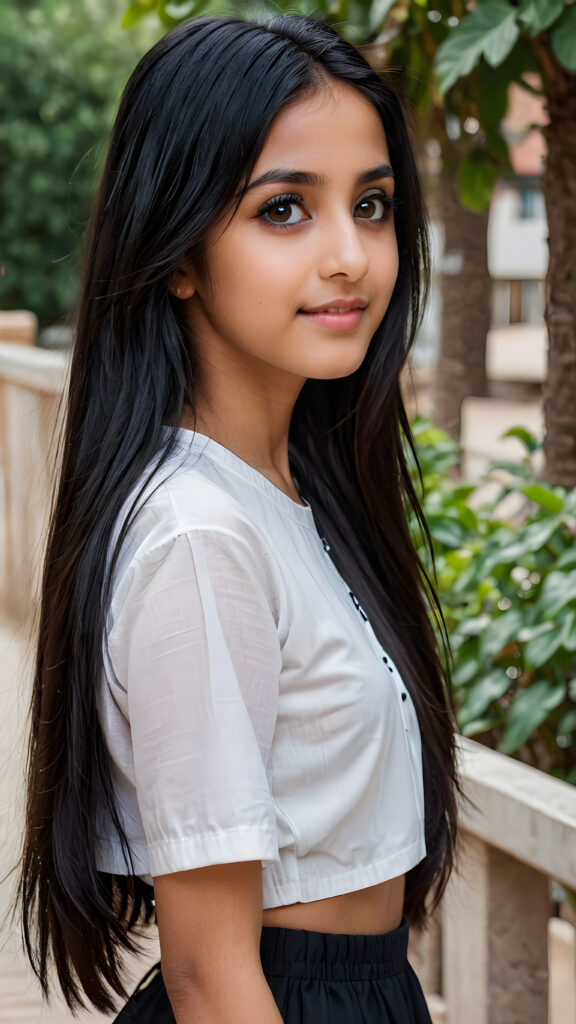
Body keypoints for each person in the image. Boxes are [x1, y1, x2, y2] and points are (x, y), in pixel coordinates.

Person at [18, 13, 461, 1024]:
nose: (351, 255)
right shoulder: (201, 536)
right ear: (176, 253)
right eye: (285, 210)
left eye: (374, 203)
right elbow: (211, 973)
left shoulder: (299, 493)